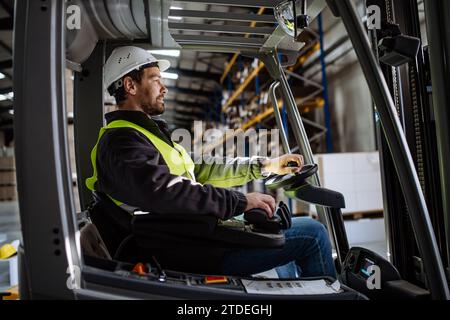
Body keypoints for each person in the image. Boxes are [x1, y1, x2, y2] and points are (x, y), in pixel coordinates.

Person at [86, 46, 336, 279]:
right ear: (130, 85)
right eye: (155, 79)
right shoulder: (121, 141)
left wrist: (263, 166)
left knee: (277, 230)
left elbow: (201, 168)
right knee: (313, 234)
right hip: (187, 252)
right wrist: (240, 202)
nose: (164, 87)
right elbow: (167, 191)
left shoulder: (145, 135)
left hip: (190, 237)